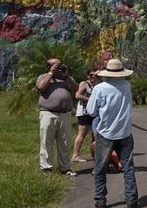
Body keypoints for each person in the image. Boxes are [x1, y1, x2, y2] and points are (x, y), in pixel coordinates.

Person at [86, 59, 138, 208]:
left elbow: (91, 111)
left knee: (100, 169)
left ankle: (100, 201)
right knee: (128, 169)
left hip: (106, 133)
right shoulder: (127, 85)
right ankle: (132, 201)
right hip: (125, 133)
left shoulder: (100, 88)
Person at [36, 58, 79, 176]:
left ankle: (65, 168)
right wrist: (51, 73)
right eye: (56, 65)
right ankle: (46, 168)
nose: (59, 67)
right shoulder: (43, 76)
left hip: (65, 114)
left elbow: (76, 89)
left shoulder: (66, 78)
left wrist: (65, 76)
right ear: (48, 66)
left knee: (64, 142)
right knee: (46, 141)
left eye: (60, 65)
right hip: (48, 113)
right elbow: (40, 87)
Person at [72, 69, 101, 163]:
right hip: (84, 113)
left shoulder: (100, 84)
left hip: (96, 113)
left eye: (95, 75)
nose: (93, 77)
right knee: (82, 134)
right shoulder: (84, 84)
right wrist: (91, 100)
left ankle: (96, 156)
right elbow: (77, 95)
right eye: (91, 75)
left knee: (96, 135)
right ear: (88, 76)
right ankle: (75, 155)